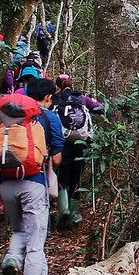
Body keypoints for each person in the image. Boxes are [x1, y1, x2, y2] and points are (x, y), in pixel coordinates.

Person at [0, 79, 64, 275]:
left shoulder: (4, 121)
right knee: (36, 244)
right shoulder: (42, 121)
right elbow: (53, 160)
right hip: (32, 184)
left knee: (18, 229)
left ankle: (12, 258)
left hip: (6, 185)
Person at [52, 74, 103, 229]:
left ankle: (63, 210)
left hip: (62, 143)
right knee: (76, 178)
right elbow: (101, 108)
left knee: (62, 175)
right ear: (72, 86)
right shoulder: (82, 99)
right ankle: (73, 215)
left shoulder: (55, 99)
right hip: (81, 144)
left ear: (57, 86)